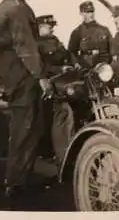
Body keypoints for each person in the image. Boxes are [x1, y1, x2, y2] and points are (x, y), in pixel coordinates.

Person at [0, 0, 52, 198]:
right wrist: (42, 77)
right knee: (24, 129)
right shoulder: (17, 9)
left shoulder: (5, 7)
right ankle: (15, 184)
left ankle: (17, 180)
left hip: (14, 74)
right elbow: (25, 47)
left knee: (27, 128)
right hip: (23, 75)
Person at [36, 14, 76, 161]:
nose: (52, 28)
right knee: (45, 119)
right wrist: (59, 70)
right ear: (40, 28)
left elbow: (67, 56)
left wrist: (74, 64)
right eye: (49, 26)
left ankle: (59, 152)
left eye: (53, 26)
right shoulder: (36, 44)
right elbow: (39, 66)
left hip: (61, 84)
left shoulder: (55, 41)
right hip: (46, 84)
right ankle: (46, 151)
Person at [68, 0, 113, 68]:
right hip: (86, 65)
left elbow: (112, 49)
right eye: (87, 12)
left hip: (103, 64)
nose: (91, 14)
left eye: (92, 11)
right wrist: (76, 63)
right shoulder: (77, 31)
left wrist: (110, 64)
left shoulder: (104, 30)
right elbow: (72, 51)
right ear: (81, 13)